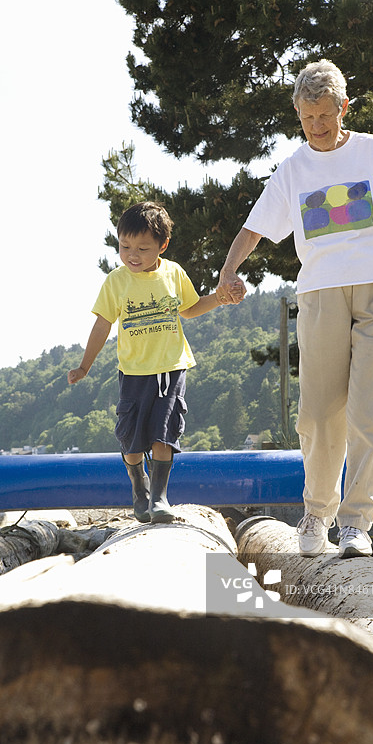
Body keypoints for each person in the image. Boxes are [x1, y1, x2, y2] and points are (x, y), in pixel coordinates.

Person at [216, 59, 373, 559]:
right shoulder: (293, 168)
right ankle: (317, 512)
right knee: (317, 413)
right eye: (307, 118)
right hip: (320, 292)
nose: (316, 128)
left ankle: (356, 524)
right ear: (298, 114)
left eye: (324, 117)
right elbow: (255, 227)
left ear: (343, 108)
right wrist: (228, 272)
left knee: (370, 414)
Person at [68, 201, 243, 524]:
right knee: (131, 442)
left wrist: (219, 298)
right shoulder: (116, 281)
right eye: (125, 246)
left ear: (162, 246)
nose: (132, 255)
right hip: (133, 373)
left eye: (142, 248)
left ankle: (160, 497)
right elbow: (102, 324)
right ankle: (140, 488)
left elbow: (189, 308)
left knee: (165, 433)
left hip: (170, 368)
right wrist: (85, 366)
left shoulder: (173, 273)